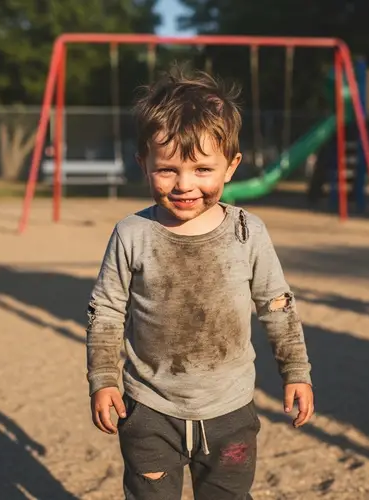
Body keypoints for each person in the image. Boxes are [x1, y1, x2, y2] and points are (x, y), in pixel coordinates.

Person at [85, 66, 314, 500]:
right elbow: (106, 312)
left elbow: (277, 305)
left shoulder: (249, 232)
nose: (185, 185)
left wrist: (296, 371)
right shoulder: (131, 234)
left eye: (202, 169)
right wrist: (103, 378)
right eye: (167, 170)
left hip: (230, 411)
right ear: (143, 164)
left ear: (231, 166)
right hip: (150, 409)